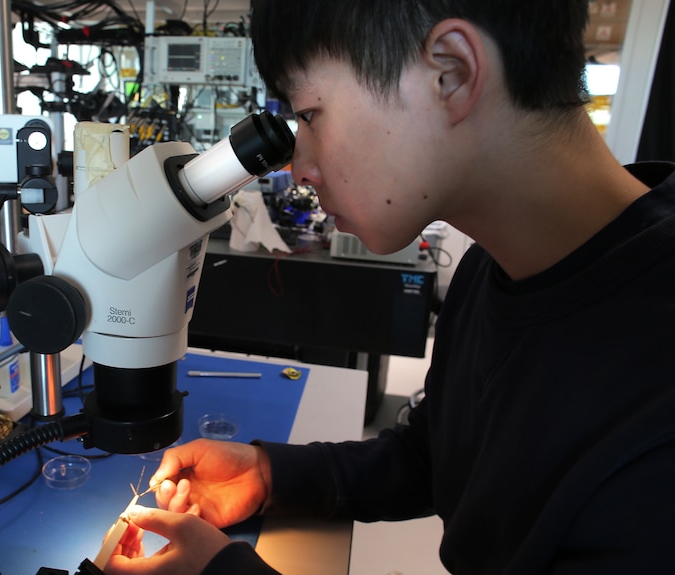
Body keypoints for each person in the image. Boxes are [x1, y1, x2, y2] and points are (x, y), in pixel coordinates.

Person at [101, 0, 675, 573]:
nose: (297, 167)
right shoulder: (493, 269)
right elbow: (441, 455)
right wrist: (271, 473)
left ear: (451, 72)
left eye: (310, 114)